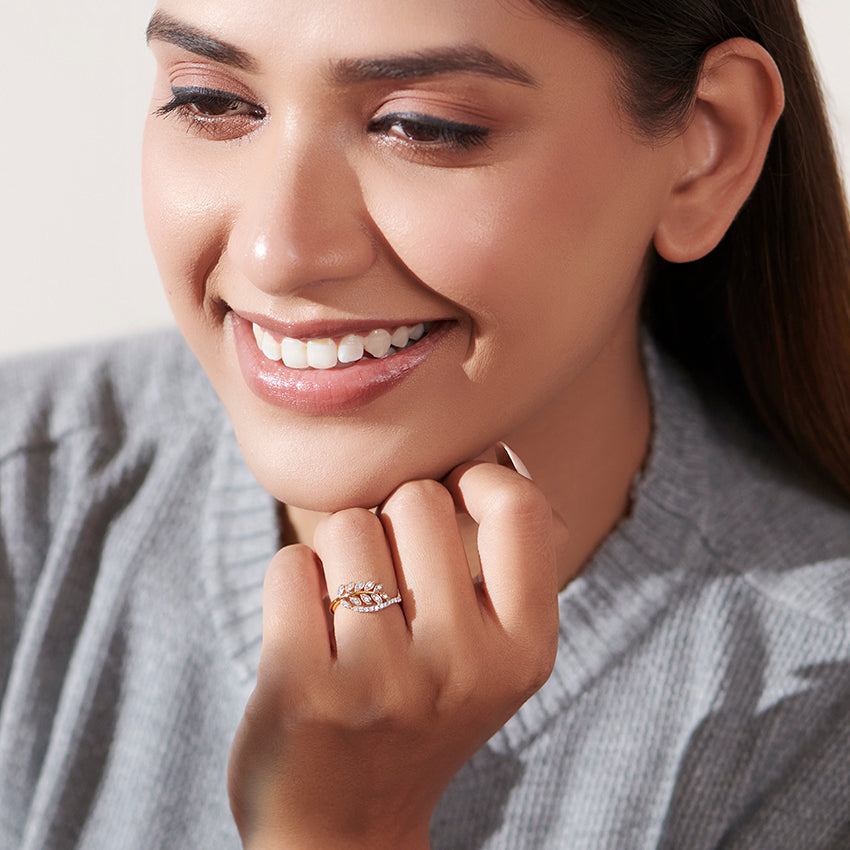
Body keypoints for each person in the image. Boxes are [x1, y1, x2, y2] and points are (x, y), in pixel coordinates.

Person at [1, 0, 849, 847]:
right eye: (211, 102)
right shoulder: (21, 491)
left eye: (421, 125)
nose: (277, 252)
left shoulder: (823, 719)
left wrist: (335, 831)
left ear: (708, 151)